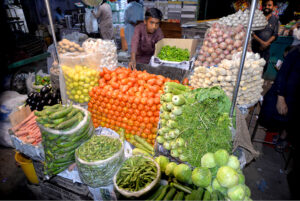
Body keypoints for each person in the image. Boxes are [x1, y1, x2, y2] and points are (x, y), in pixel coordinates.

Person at [259, 44, 300, 153]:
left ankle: (283, 137)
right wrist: (280, 98)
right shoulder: (296, 51)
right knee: (274, 116)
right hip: (284, 93)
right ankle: (277, 134)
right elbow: (282, 74)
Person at [252, 0, 279, 74]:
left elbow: (275, 34)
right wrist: (262, 42)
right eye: (265, 5)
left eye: (269, 5)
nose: (267, 7)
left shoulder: (275, 19)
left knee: (263, 69)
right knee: (252, 69)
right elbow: (251, 32)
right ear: (262, 6)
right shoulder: (256, 17)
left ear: (273, 7)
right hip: (254, 48)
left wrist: (266, 43)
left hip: (266, 50)